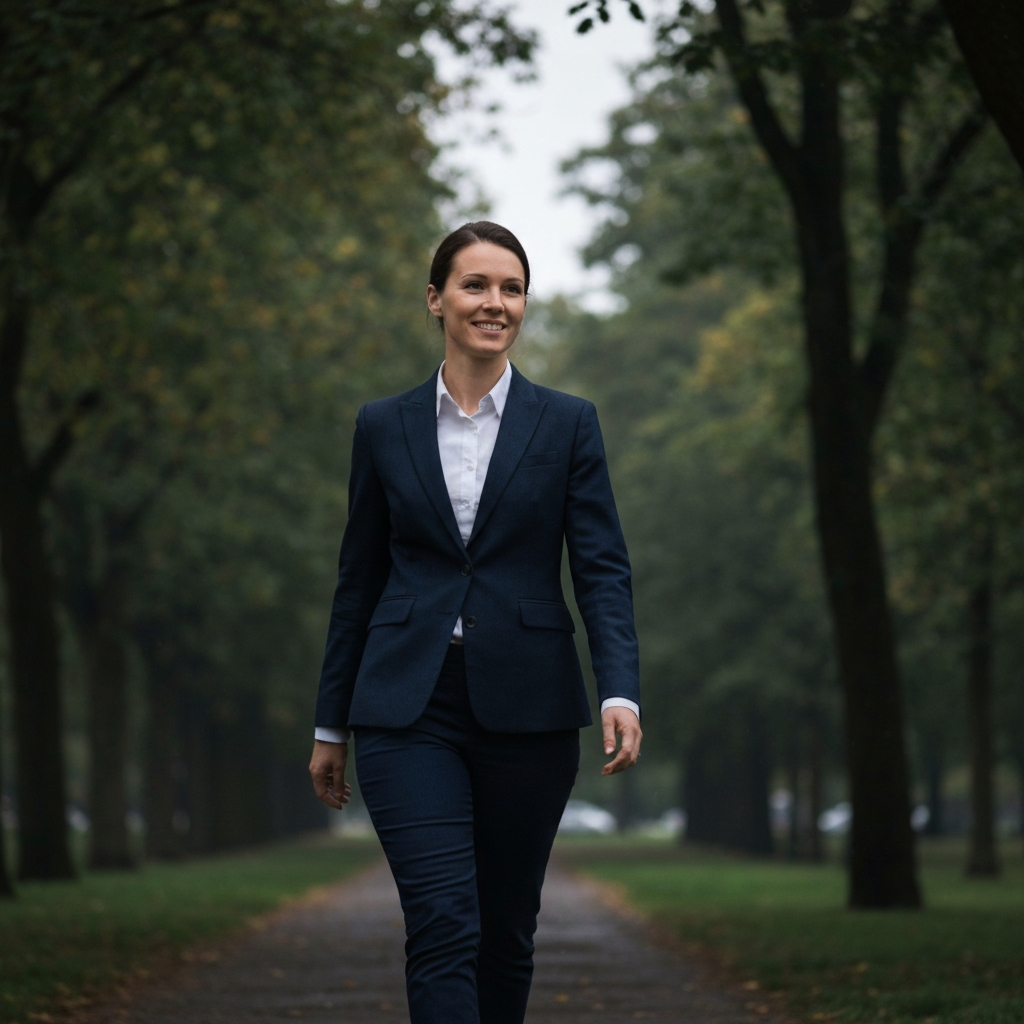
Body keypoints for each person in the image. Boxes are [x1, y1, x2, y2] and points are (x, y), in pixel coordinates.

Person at [308, 221, 642, 1024]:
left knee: (504, 933)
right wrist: (330, 721)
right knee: (442, 922)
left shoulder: (567, 424)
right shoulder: (382, 426)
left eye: (512, 288)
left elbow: (600, 568)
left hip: (528, 707)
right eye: (476, 285)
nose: (496, 303)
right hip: (404, 706)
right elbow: (358, 580)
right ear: (436, 299)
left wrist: (619, 691)